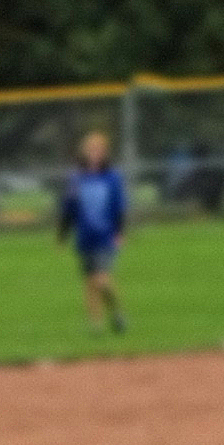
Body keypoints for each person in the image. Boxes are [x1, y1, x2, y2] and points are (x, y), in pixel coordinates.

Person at [57, 129, 128, 333]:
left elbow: (119, 208)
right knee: (90, 281)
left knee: (102, 279)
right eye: (91, 149)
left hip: (105, 235)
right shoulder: (77, 178)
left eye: (99, 150)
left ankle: (116, 312)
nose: (94, 153)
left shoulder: (112, 178)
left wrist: (119, 232)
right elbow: (69, 209)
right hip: (84, 236)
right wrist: (62, 235)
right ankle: (96, 324)